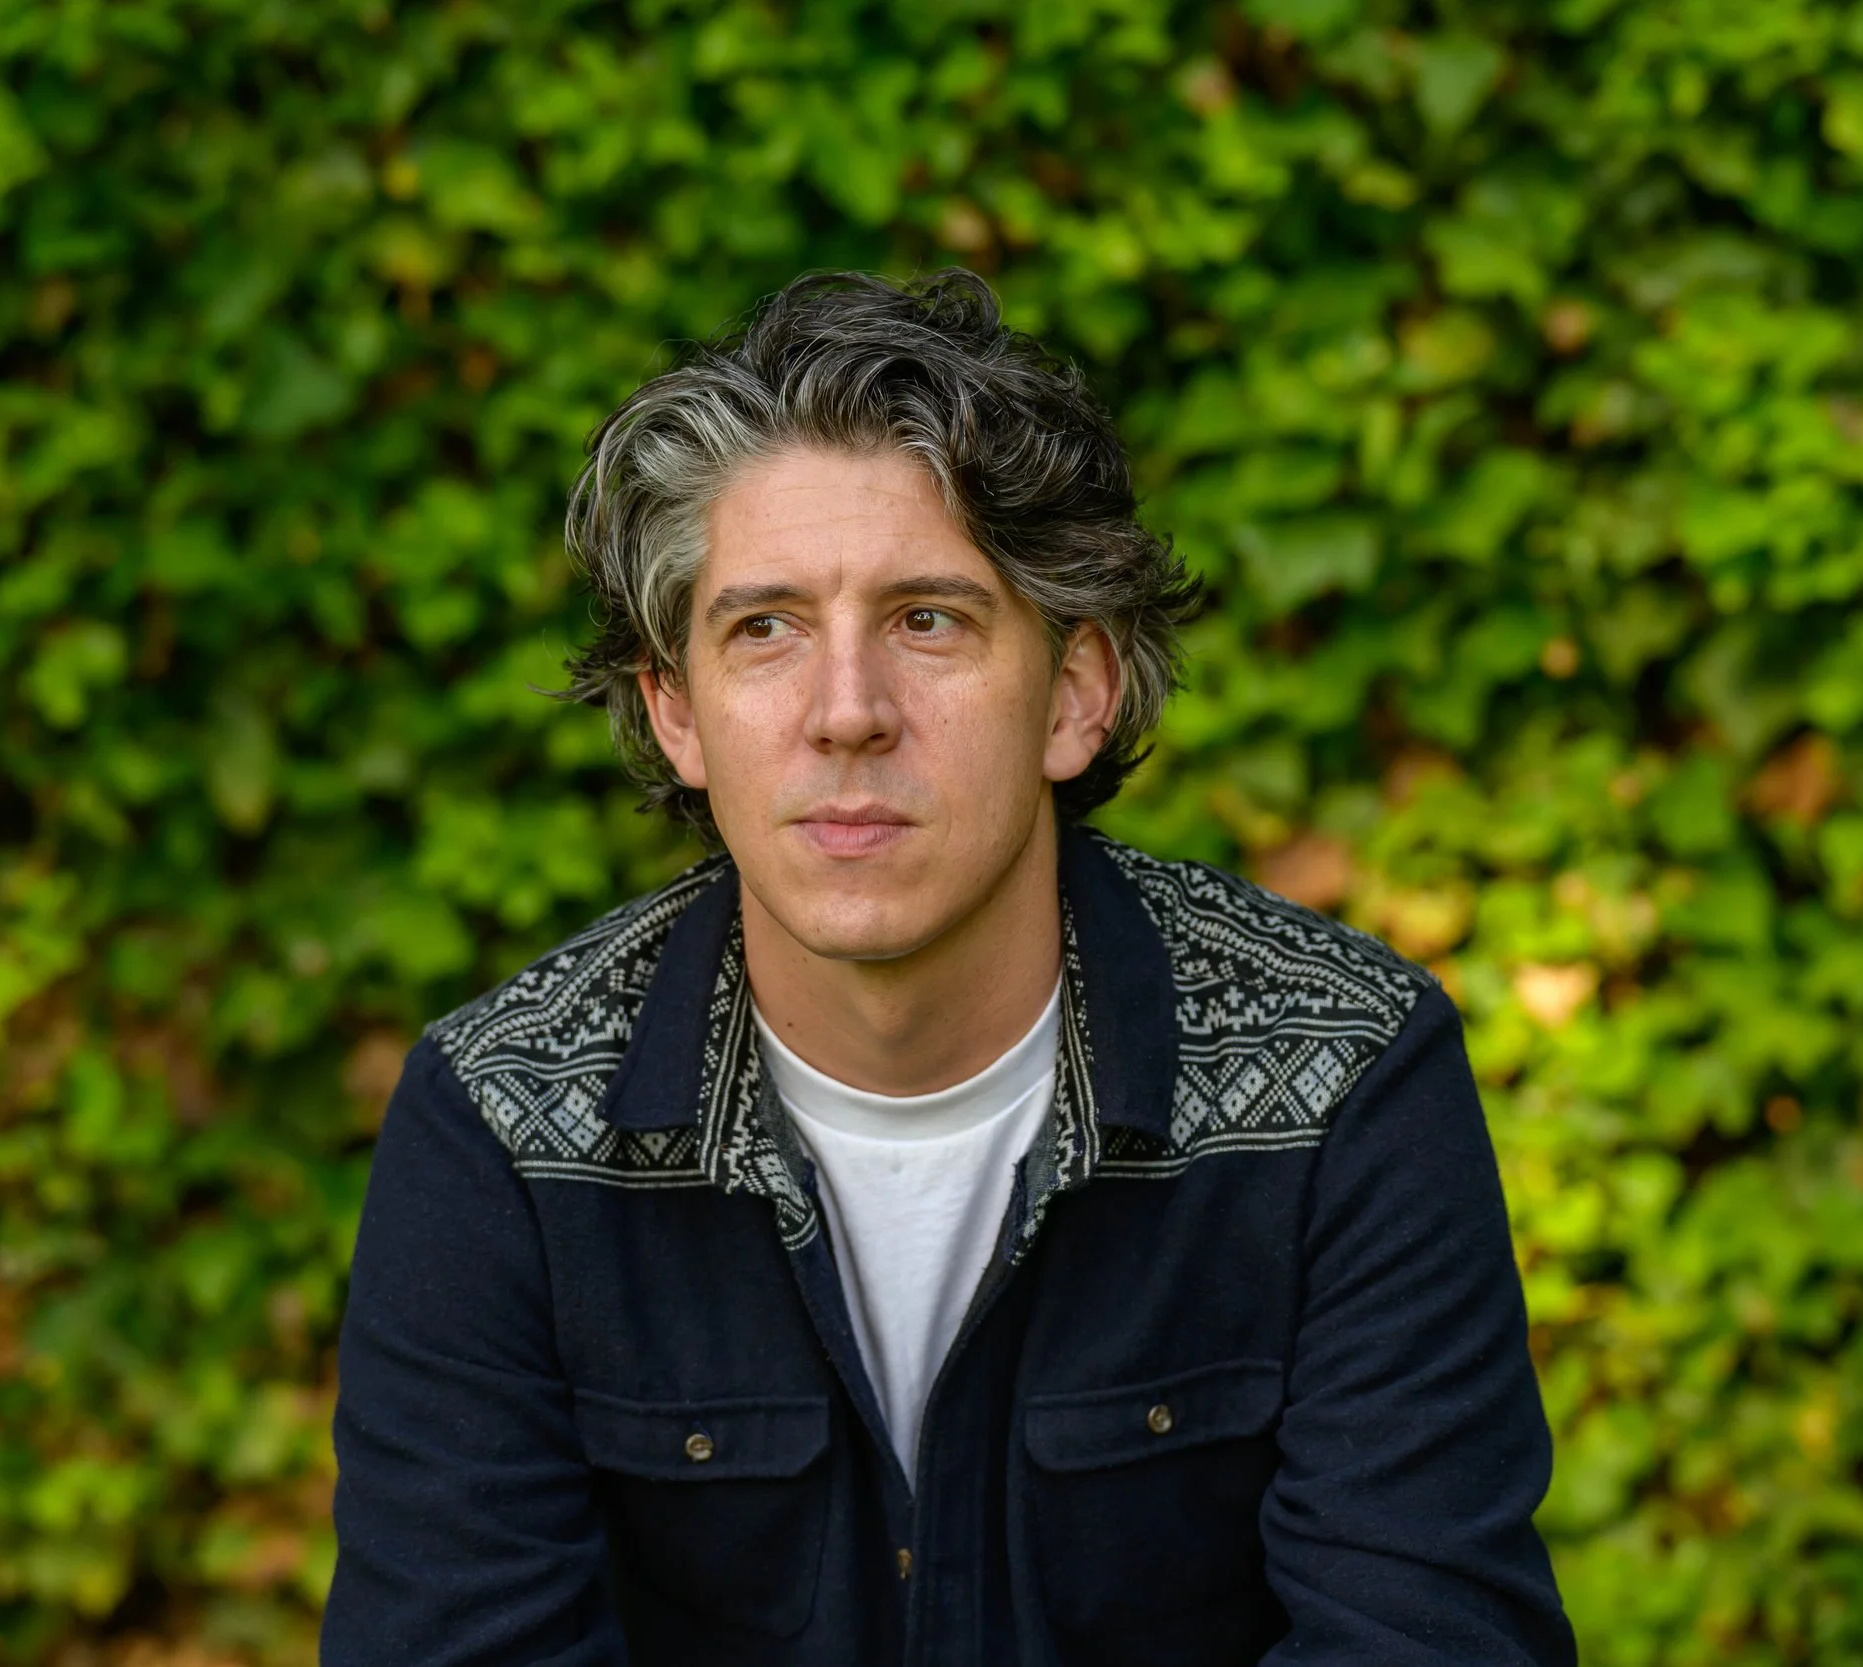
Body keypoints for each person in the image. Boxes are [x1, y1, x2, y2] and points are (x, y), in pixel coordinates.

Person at [319, 268, 1576, 1666]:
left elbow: (1430, 1639)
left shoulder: (1341, 1079)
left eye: (929, 619)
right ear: (675, 713)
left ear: (1077, 692)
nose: (846, 711)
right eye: (765, 629)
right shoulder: (503, 1128)